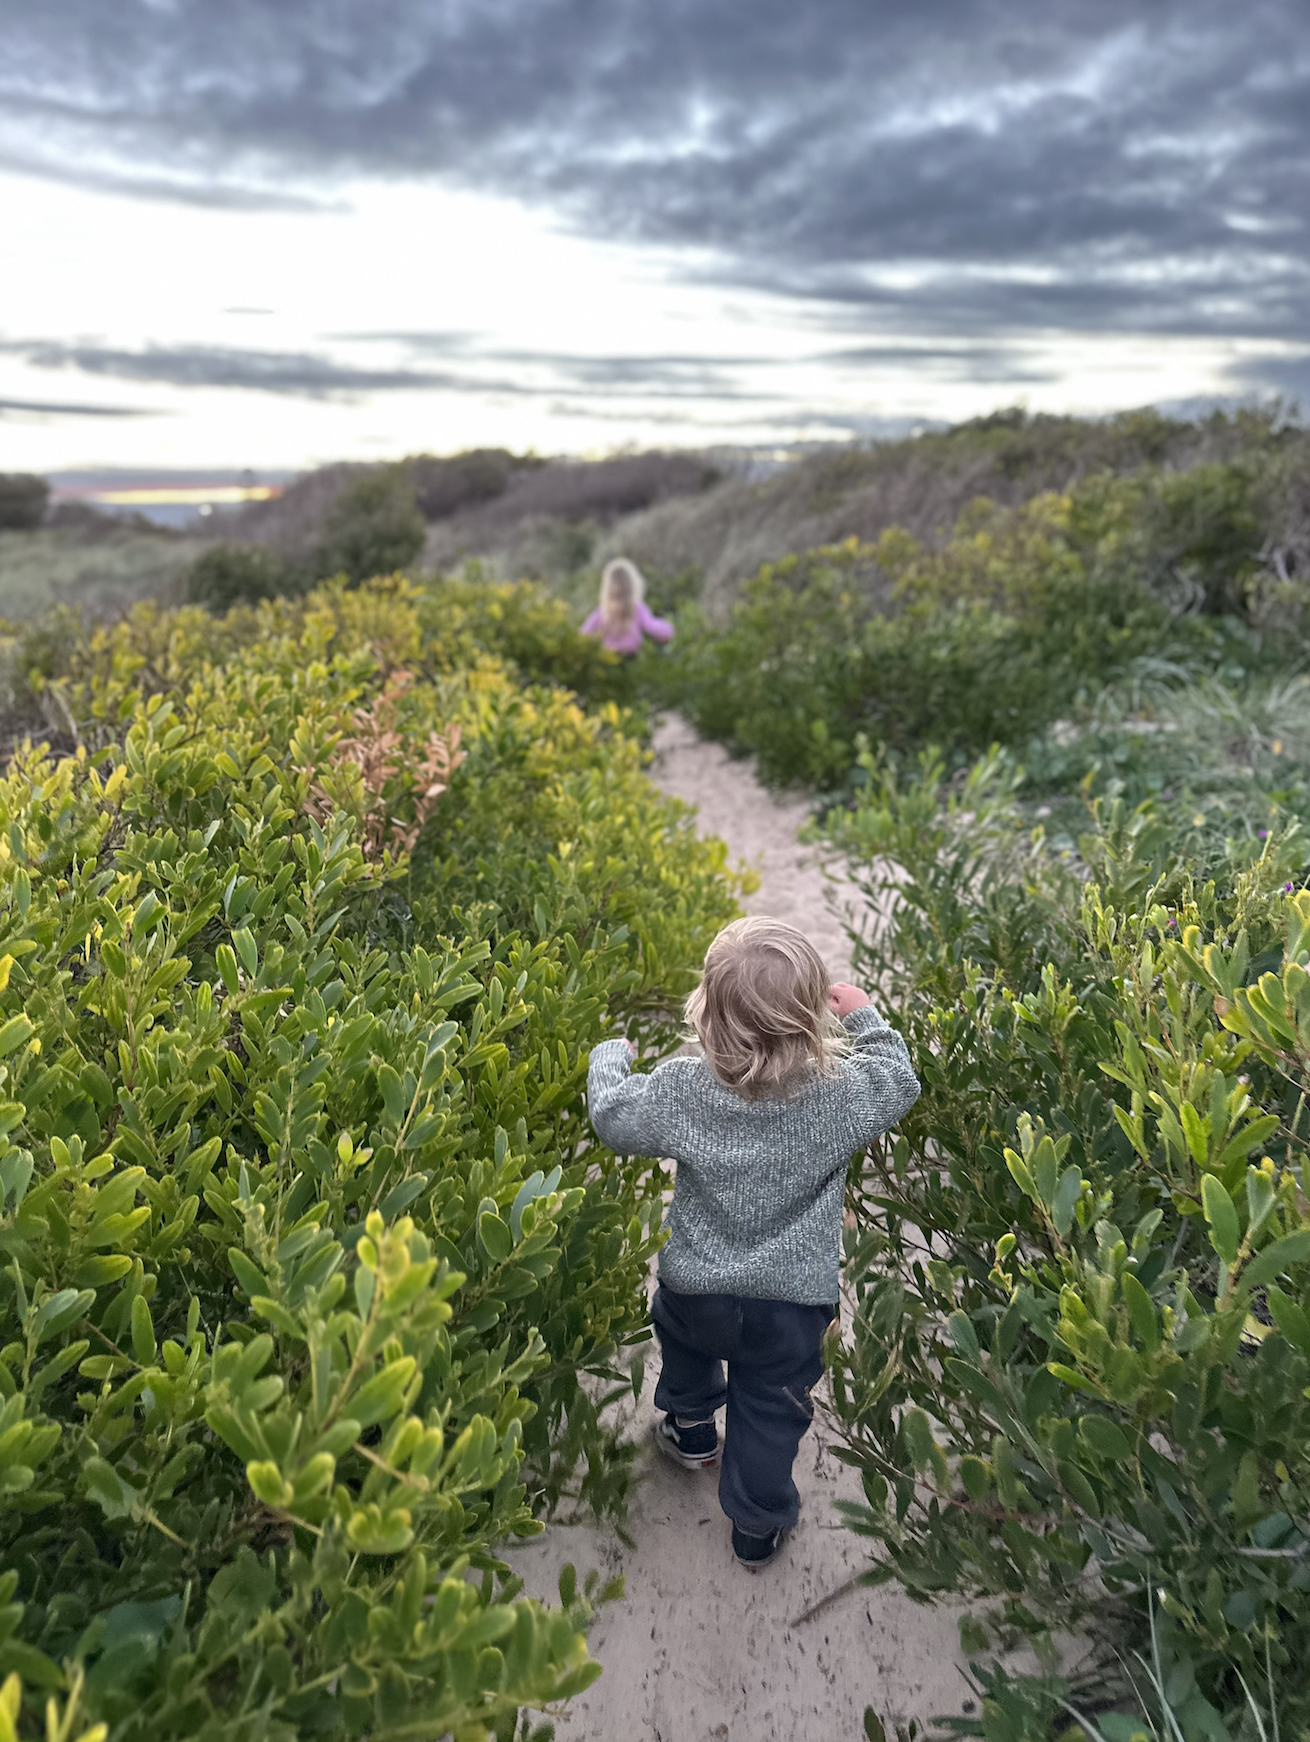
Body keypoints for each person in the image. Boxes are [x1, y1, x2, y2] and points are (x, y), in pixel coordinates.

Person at [586, 915, 920, 1569]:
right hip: (791, 1308)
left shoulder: (684, 1088)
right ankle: (756, 1526)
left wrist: (609, 1058)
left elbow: (612, 1117)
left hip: (696, 1290)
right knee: (770, 1411)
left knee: (684, 1353)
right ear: (810, 1020)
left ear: (705, 1014)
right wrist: (867, 1018)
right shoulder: (839, 1096)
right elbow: (898, 1078)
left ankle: (689, 1434)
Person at [581, 557, 673, 655]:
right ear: (632, 584)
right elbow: (652, 626)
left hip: (608, 660)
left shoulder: (603, 611)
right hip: (631, 659)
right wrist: (668, 629)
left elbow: (583, 635)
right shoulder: (637, 608)